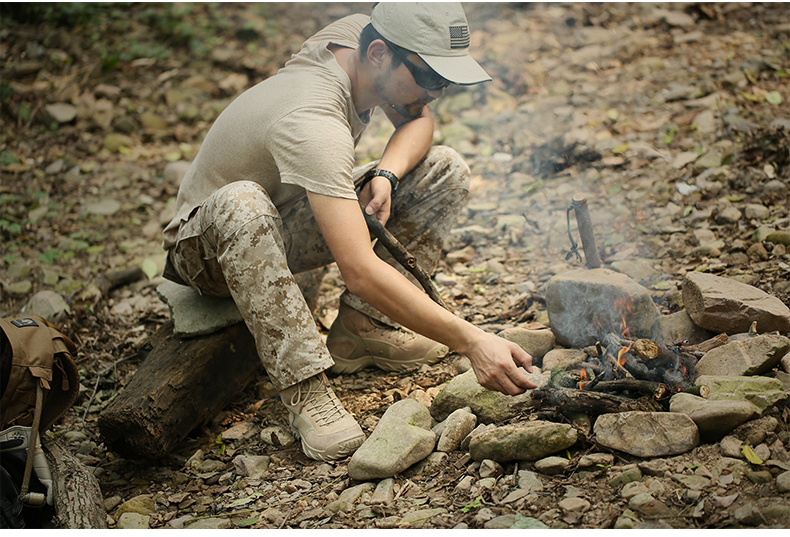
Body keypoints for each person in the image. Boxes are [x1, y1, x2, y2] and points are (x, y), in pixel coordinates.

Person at [161, 2, 536, 462]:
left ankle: (364, 328)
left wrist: (387, 175)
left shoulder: (361, 37)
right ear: (379, 54)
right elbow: (359, 269)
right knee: (244, 202)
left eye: (445, 80)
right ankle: (305, 389)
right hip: (206, 247)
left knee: (444, 168)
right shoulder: (314, 120)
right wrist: (473, 341)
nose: (435, 92)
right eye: (429, 76)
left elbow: (418, 120)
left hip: (281, 218)